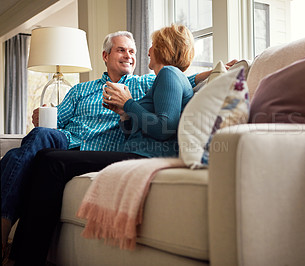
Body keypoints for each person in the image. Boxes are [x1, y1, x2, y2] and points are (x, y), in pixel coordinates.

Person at [1, 28, 220, 261]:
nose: (133, 55)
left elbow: (175, 88)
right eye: (121, 50)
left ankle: (18, 249)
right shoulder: (80, 89)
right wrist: (44, 115)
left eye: (134, 51)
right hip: (67, 139)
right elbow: (54, 123)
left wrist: (216, 71)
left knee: (34, 159)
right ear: (105, 56)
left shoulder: (146, 82)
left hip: (108, 150)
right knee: (29, 147)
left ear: (163, 48)